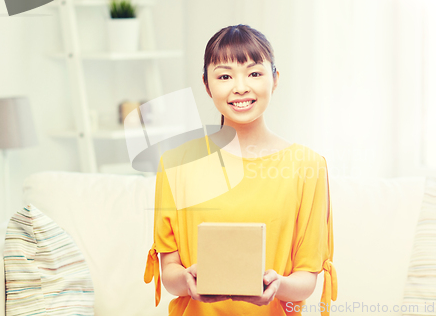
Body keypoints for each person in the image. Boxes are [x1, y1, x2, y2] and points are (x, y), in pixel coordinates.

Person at [144, 24, 337, 316]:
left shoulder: (308, 166)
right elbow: (169, 271)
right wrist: (186, 280)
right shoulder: (175, 165)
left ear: (275, 79)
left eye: (254, 73)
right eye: (224, 76)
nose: (240, 87)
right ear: (207, 85)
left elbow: (307, 278)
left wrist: (279, 285)